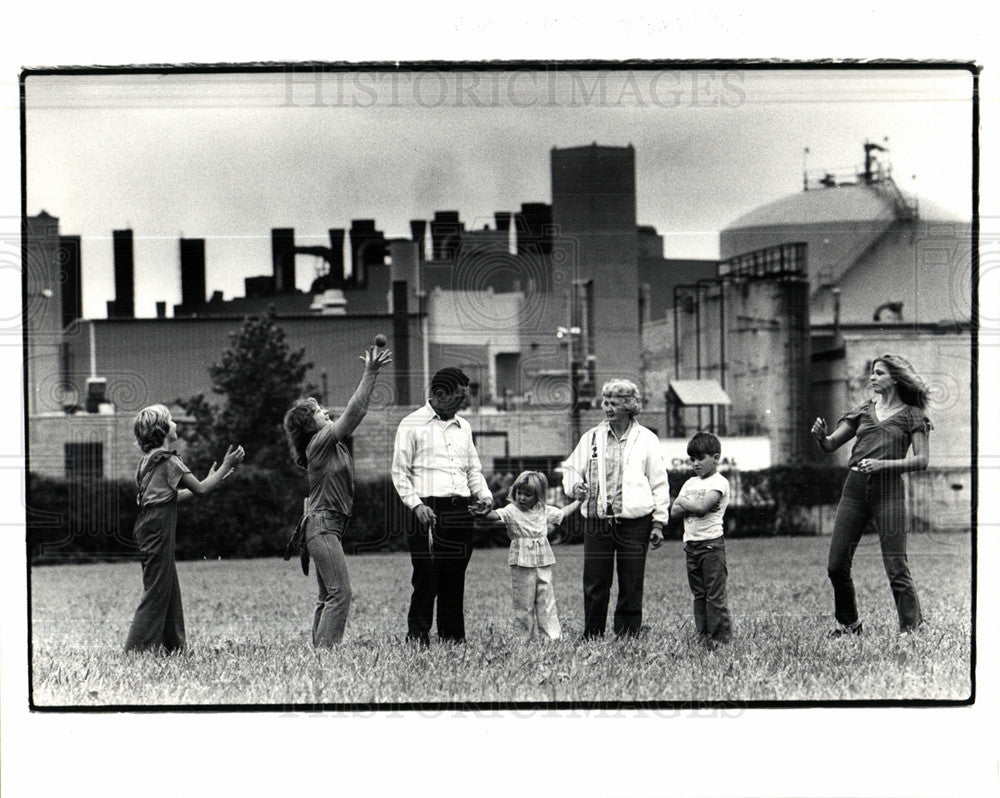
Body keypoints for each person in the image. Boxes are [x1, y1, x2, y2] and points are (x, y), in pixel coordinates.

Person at [810, 354, 932, 636]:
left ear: (895, 378)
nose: (873, 378)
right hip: (854, 490)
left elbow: (922, 460)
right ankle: (849, 625)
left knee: (896, 566)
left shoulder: (913, 415)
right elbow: (830, 445)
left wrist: (883, 465)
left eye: (879, 373)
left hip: (888, 491)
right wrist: (821, 437)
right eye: (872, 373)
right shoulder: (863, 410)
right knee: (836, 564)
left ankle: (912, 629)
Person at [282, 344, 392, 647]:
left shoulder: (331, 445)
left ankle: (319, 652)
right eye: (319, 412)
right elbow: (355, 412)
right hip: (322, 527)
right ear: (309, 425)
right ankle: (327, 656)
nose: (326, 412)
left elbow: (349, 419)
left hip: (323, 528)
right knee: (340, 593)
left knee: (327, 595)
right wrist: (370, 374)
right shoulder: (318, 442)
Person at [124, 404, 245, 654]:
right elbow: (201, 489)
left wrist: (214, 478)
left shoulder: (146, 462)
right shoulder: (170, 461)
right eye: (171, 420)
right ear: (162, 430)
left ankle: (173, 646)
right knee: (157, 588)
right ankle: (135, 649)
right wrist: (225, 467)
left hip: (148, 525)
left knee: (167, 584)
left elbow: (171, 497)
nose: (176, 424)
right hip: (159, 527)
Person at [391, 366, 493, 644]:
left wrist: (484, 497)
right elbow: (399, 473)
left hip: (460, 511)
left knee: (454, 576)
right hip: (426, 511)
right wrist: (416, 506)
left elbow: (474, 470)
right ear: (438, 394)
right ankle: (418, 636)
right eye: (459, 397)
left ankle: (453, 639)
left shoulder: (464, 427)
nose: (464, 403)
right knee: (426, 576)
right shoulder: (411, 424)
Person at [563, 378, 671, 639]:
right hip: (597, 522)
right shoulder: (591, 437)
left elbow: (659, 482)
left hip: (635, 523)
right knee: (595, 584)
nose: (607, 408)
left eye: (613, 403)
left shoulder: (647, 439)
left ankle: (627, 636)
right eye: (605, 402)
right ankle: (592, 635)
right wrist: (575, 486)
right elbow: (569, 469)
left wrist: (658, 523)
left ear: (628, 406)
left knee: (631, 583)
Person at [474, 470, 580, 641]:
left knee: (546, 599)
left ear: (538, 496)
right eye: (519, 493)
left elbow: (563, 513)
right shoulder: (511, 510)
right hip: (522, 561)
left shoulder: (543, 510)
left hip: (542, 559)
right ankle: (523, 638)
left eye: (528, 494)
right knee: (524, 602)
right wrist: (484, 512)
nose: (522, 497)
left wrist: (580, 501)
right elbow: (495, 516)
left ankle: (552, 637)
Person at [667, 431, 732, 646]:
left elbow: (702, 508)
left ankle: (720, 639)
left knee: (714, 595)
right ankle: (703, 636)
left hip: (711, 545)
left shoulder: (719, 482)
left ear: (715, 457)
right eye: (692, 459)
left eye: (700, 458)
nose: (695, 463)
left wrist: (685, 502)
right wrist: (687, 504)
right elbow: (674, 510)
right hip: (691, 545)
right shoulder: (690, 483)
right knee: (699, 595)